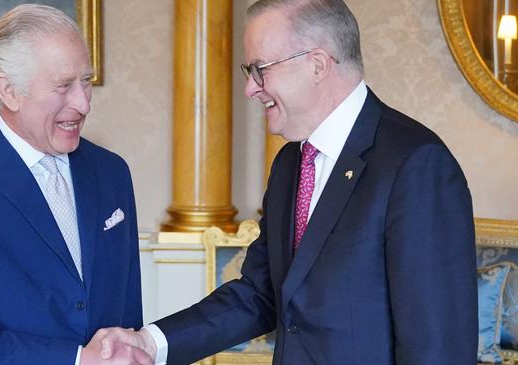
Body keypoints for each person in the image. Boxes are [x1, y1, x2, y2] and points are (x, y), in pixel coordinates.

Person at [99, 0, 478, 364]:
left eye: (260, 69)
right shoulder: (289, 163)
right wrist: (148, 344)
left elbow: (438, 348)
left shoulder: (415, 163)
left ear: (317, 64)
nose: (250, 88)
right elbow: (260, 294)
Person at [0, 4, 150, 365]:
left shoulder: (112, 172)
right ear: (9, 91)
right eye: (64, 86)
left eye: (86, 81)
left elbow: (127, 317)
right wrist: (78, 360)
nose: (82, 103)